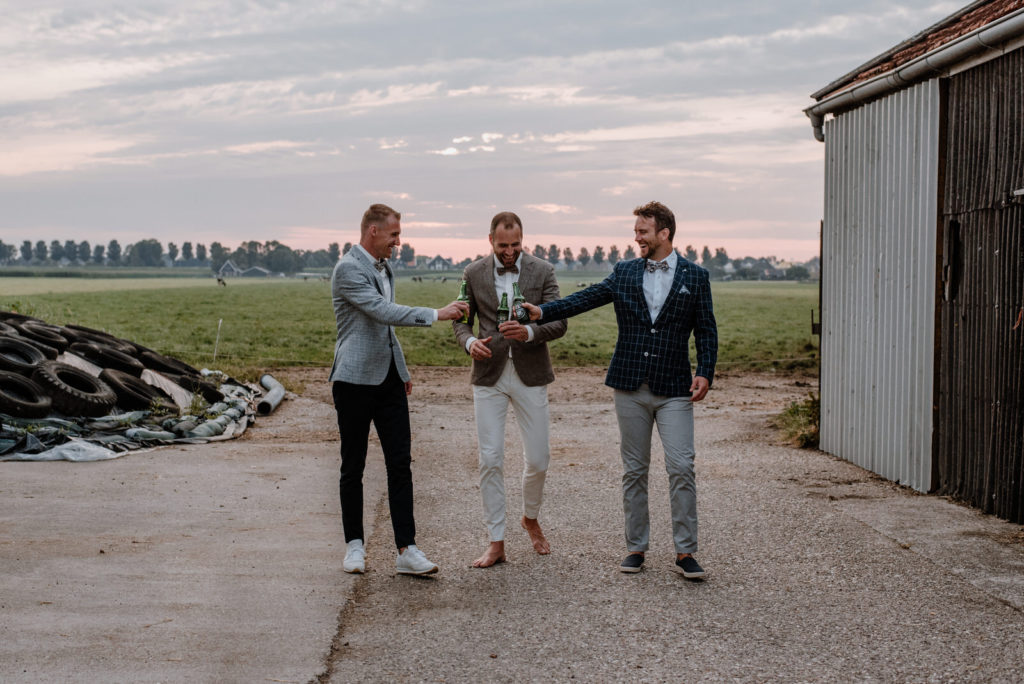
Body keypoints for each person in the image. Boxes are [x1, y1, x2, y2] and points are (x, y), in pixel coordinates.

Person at [522, 201, 717, 579]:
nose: (636, 237)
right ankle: (636, 547)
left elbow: (706, 329)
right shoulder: (624, 271)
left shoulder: (696, 276)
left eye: (643, 231)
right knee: (634, 470)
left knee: (681, 466)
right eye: (636, 231)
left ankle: (685, 552)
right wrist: (543, 311)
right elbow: (587, 298)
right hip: (629, 386)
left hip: (675, 387)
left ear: (664, 233)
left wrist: (705, 371)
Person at [331, 203, 469, 576]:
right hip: (353, 380)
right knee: (353, 465)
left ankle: (407, 550)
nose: (398, 242)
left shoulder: (385, 267)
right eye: (394, 235)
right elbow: (383, 312)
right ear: (373, 231)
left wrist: (401, 369)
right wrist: (436, 313)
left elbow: (386, 330)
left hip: (389, 378)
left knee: (400, 464)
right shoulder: (348, 269)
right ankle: (355, 546)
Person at [453, 212, 567, 568]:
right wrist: (469, 342)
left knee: (539, 459)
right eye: (503, 245)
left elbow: (559, 321)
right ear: (490, 240)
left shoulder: (543, 271)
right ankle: (496, 541)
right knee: (490, 459)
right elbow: (461, 320)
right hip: (489, 375)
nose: (509, 251)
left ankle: (530, 518)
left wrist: (530, 332)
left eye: (516, 245)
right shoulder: (472, 273)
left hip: (531, 372)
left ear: (522, 239)